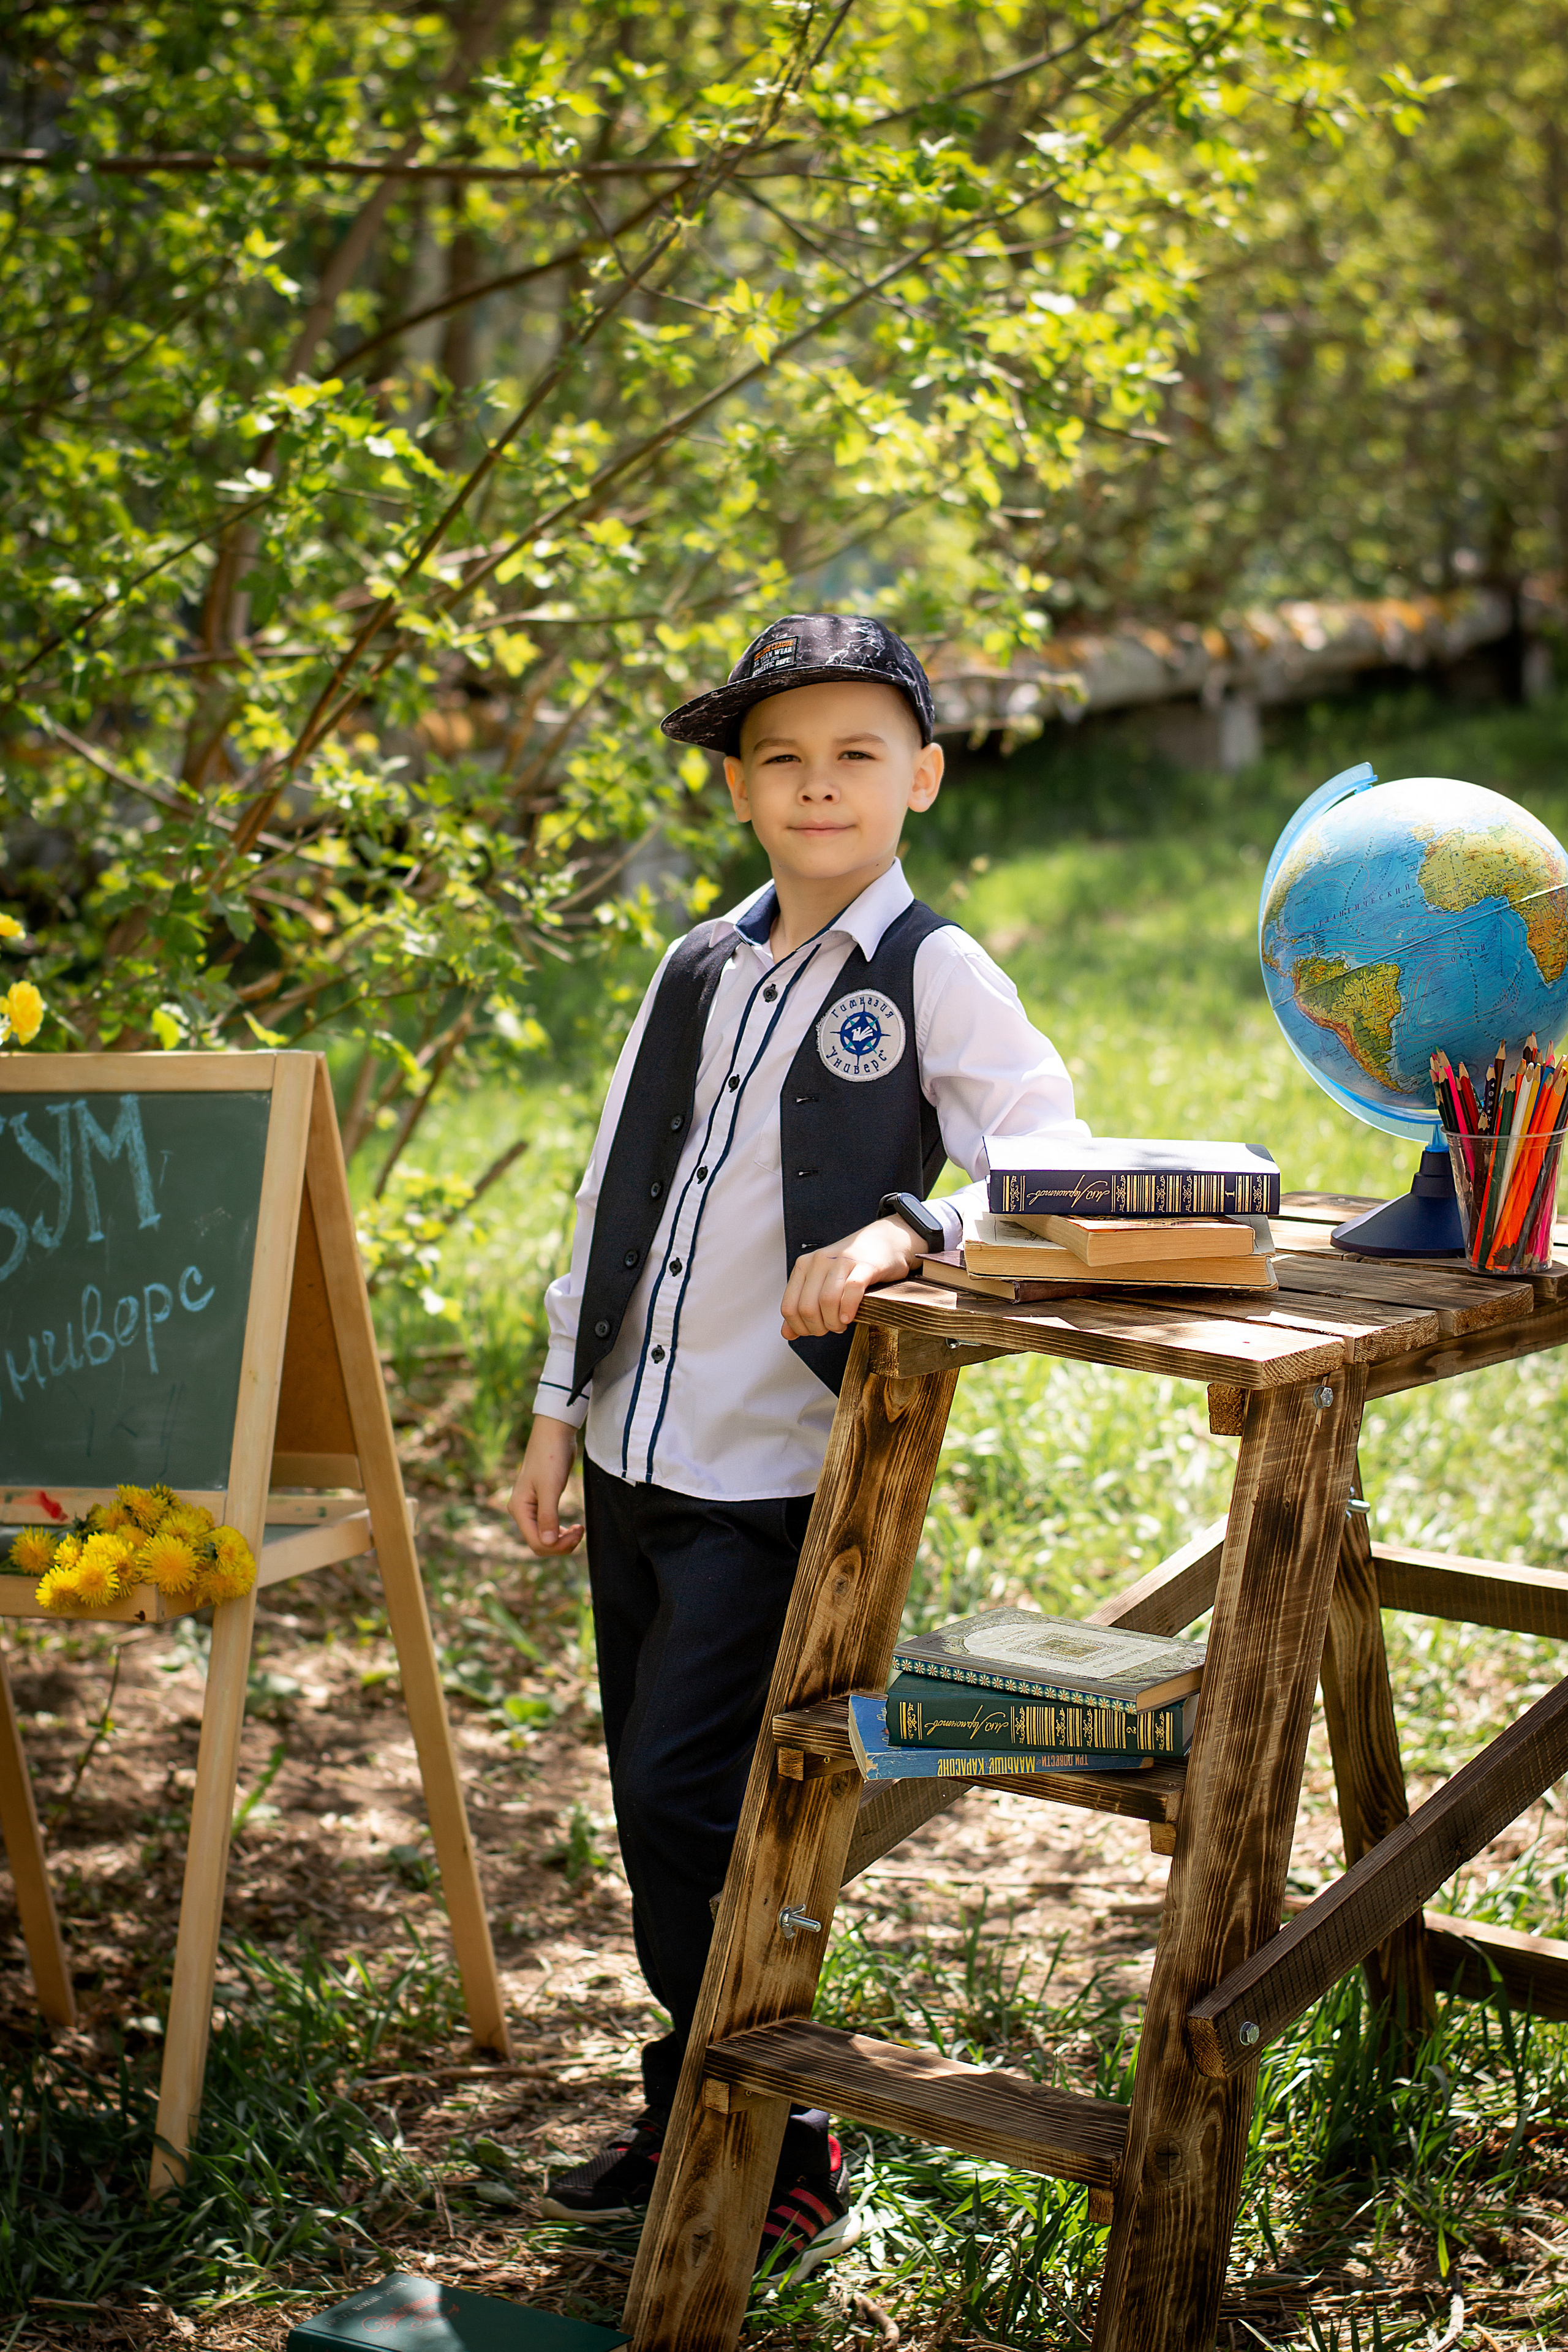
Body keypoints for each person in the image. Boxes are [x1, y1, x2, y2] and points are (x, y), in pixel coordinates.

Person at [509, 611, 1083, 2279]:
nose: (816, 785)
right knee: (645, 1795)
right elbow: (622, 1188)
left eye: (854, 754)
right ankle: (693, 2089)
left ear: (923, 773)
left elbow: (1051, 1148)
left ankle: (789, 2133)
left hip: (772, 1479)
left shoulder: (930, 973)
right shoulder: (699, 964)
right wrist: (560, 1408)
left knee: (701, 1796)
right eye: (781, 759)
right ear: (742, 788)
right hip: (633, 1457)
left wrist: (913, 1228)